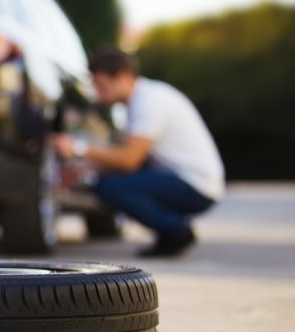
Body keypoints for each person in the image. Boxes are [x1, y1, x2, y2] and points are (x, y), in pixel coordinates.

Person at [53, 48, 225, 257]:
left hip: (196, 185)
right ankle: (170, 231)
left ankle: (175, 230)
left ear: (123, 77)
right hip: (189, 180)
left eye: (102, 86)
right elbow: (133, 158)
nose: (98, 95)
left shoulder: (148, 101)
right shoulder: (143, 99)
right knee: (113, 180)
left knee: (110, 188)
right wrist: (87, 168)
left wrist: (78, 148)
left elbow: (129, 160)